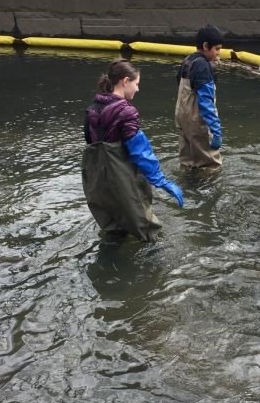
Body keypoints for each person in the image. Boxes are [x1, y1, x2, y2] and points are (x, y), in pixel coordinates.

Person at [82, 59, 183, 242]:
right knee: (146, 228)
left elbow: (90, 142)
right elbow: (140, 152)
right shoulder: (127, 112)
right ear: (125, 81)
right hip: (121, 177)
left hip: (97, 181)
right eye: (136, 84)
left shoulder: (92, 109)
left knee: (113, 228)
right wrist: (162, 181)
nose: (138, 89)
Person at [175, 25, 224, 169]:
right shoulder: (203, 66)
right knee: (210, 164)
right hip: (197, 121)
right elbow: (206, 102)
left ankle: (187, 186)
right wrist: (216, 130)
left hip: (182, 117)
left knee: (187, 160)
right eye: (217, 49)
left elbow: (179, 83)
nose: (218, 54)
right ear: (205, 46)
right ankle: (209, 190)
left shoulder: (188, 60)